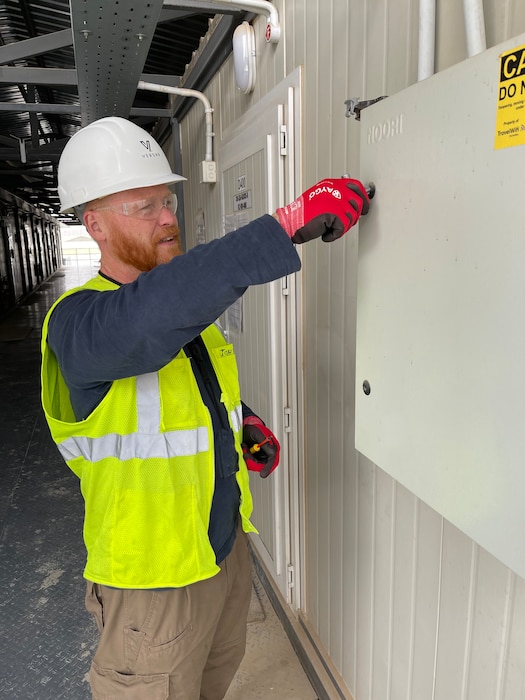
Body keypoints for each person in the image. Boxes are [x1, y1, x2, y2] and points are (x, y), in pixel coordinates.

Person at [40, 116, 369, 700]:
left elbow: (190, 392)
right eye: (143, 207)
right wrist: (282, 227)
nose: (167, 217)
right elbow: (146, 322)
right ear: (95, 226)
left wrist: (240, 423)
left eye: (166, 201)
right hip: (151, 583)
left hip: (220, 550)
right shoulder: (79, 324)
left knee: (214, 677)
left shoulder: (181, 313)